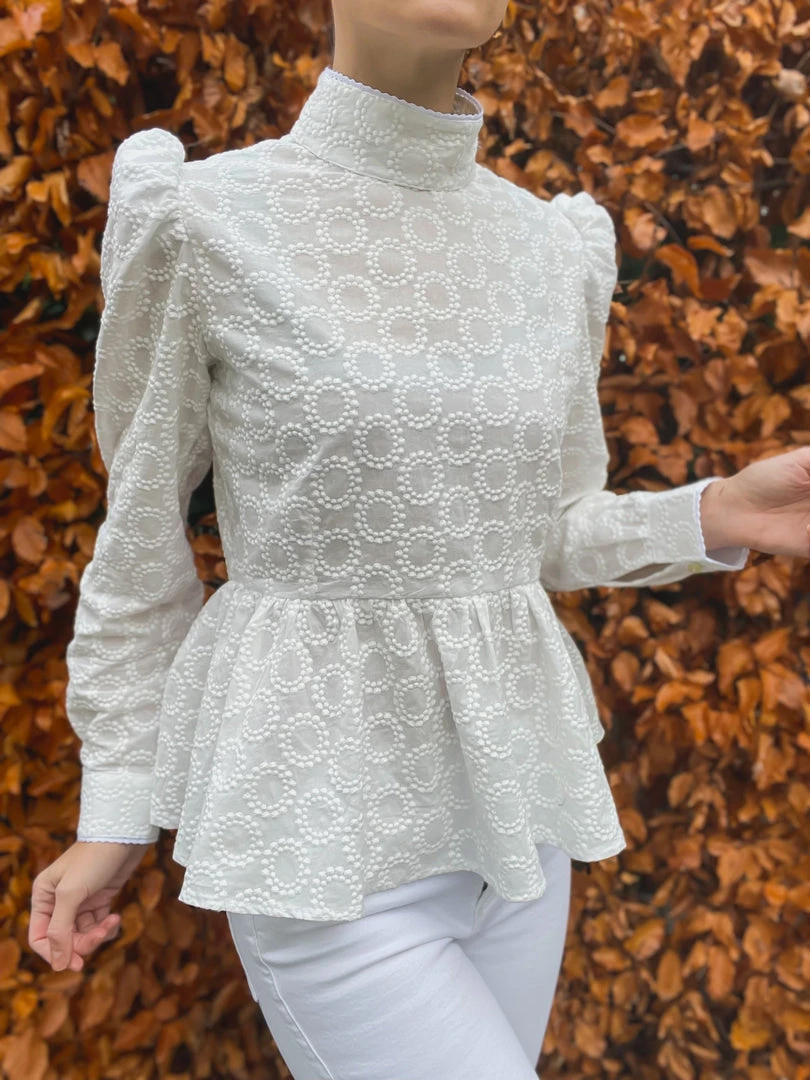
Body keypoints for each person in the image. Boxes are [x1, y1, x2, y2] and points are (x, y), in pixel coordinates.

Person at [28, 2, 810, 1077]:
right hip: (320, 831)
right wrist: (117, 804)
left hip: (520, 820)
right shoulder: (204, 218)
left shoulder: (551, 247)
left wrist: (714, 513)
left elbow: (541, 533)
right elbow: (143, 536)